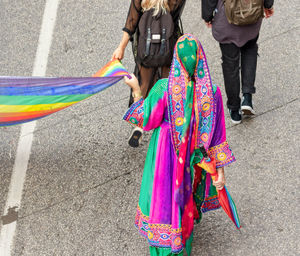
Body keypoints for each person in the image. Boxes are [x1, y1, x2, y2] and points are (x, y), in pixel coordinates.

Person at [123, 34, 236, 255]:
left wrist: (136, 89)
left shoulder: (164, 88)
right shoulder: (212, 94)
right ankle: (182, 246)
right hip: (191, 166)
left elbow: (144, 118)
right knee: (184, 203)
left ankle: (163, 246)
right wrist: (219, 172)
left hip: (164, 159)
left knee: (162, 203)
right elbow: (216, 138)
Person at [112, 0, 186, 147]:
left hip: (145, 49)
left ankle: (139, 125)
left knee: (142, 85)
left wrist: (121, 47)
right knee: (166, 89)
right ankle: (165, 129)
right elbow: (175, 18)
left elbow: (131, 22)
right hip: (167, 49)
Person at [202, 0, 274, 124]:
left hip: (226, 20)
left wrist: (207, 15)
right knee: (250, 49)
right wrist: (268, 4)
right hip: (252, 12)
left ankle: (234, 109)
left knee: (230, 63)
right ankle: (247, 96)